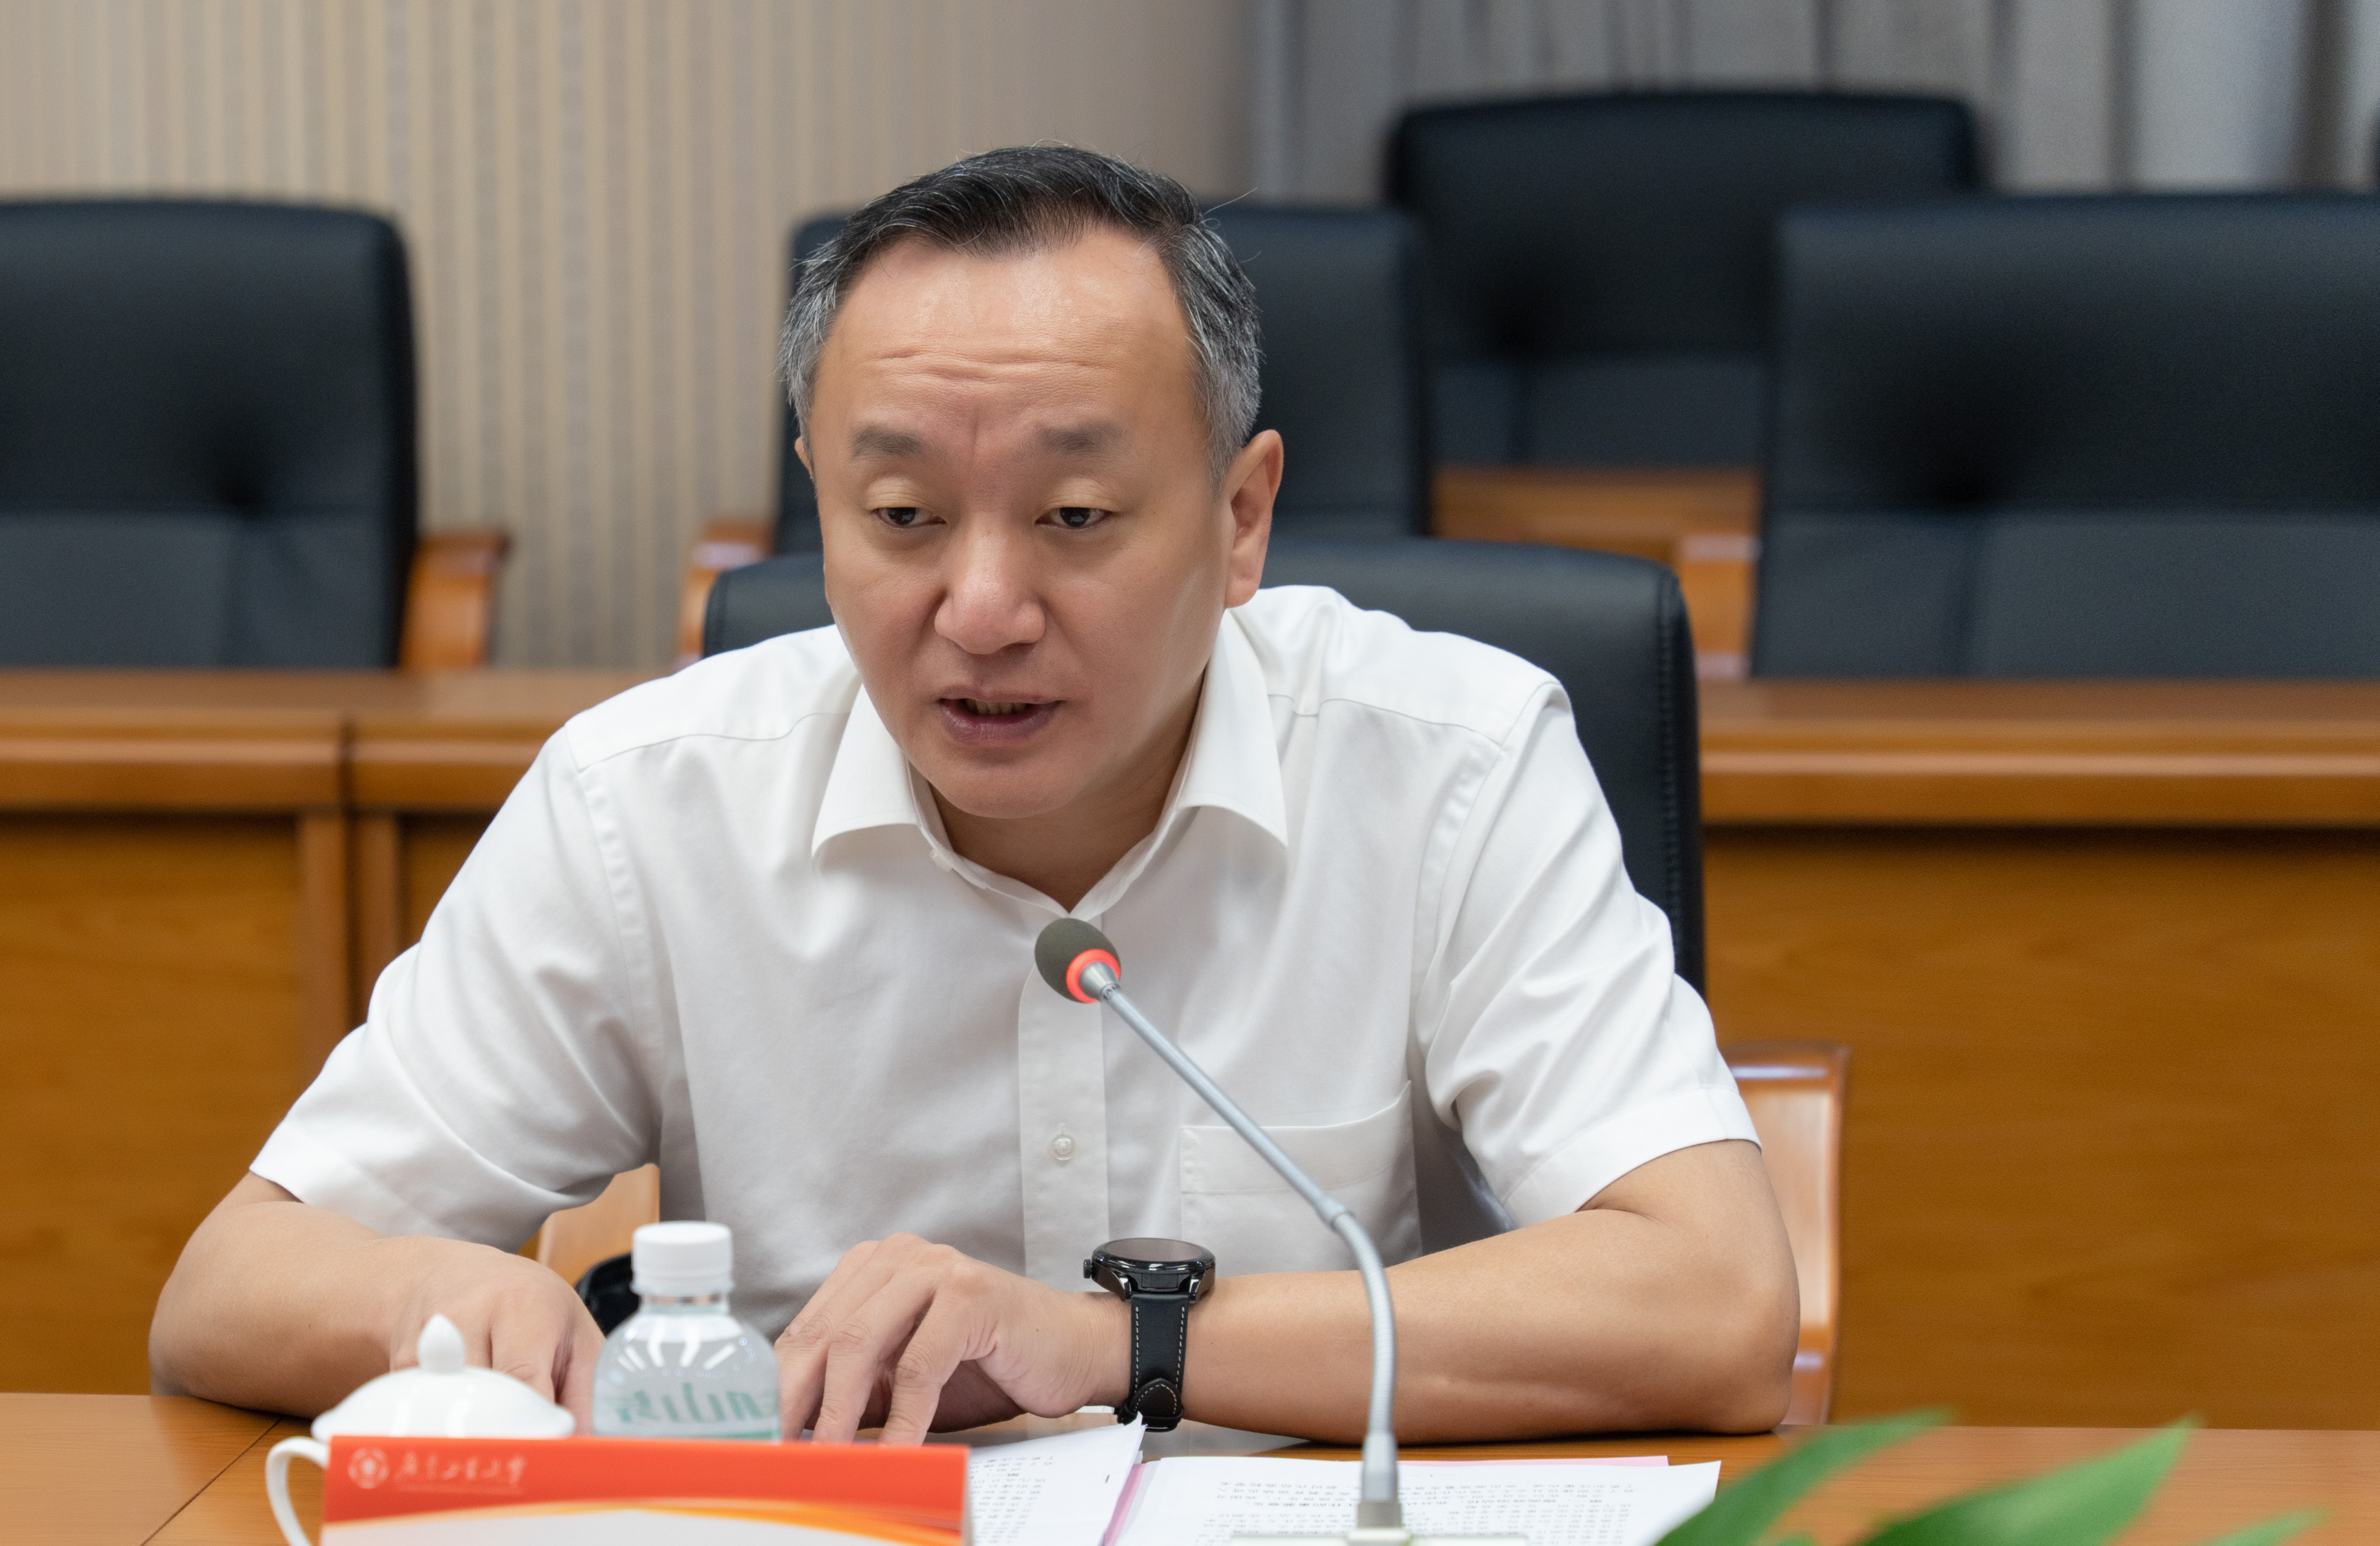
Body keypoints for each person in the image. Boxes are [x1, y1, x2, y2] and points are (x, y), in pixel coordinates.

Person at [149, 147, 1796, 1445]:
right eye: (903, 517)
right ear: (817, 503)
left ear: (1240, 519)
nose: (984, 608)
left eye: (1073, 517)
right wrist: (427, 1300)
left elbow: (1716, 1301)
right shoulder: (644, 804)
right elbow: (223, 1290)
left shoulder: (1451, 761)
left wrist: (1118, 1343)